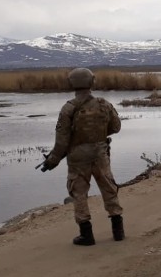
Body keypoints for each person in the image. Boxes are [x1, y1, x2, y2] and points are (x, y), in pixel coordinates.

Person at [40, 68, 125, 245]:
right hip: (100, 152)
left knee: (78, 193)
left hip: (77, 156)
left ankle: (86, 235)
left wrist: (52, 161)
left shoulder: (68, 108)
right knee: (108, 187)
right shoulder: (104, 104)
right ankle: (118, 231)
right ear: (91, 82)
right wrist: (99, 137)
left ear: (72, 84)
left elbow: (62, 141)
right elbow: (116, 128)